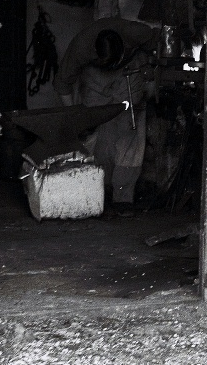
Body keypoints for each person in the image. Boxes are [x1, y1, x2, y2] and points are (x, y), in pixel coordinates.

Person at [53, 17, 158, 216]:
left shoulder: (136, 32)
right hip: (95, 81)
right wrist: (79, 117)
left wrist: (150, 71)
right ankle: (97, 191)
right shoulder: (81, 47)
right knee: (96, 132)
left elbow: (158, 45)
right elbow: (62, 83)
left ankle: (123, 197)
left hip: (130, 73)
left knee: (130, 131)